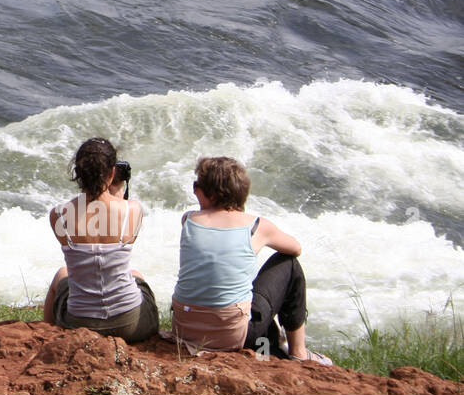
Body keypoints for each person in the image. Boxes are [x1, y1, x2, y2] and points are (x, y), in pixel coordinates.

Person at [171, 156, 332, 363]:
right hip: (232, 335)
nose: (194, 191)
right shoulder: (257, 226)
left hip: (184, 329)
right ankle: (299, 351)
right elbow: (295, 248)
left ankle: (274, 343)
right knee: (289, 264)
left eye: (197, 186)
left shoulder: (188, 220)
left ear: (210, 193)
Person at [44, 138, 159, 343]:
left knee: (62, 273)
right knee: (136, 275)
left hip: (79, 323)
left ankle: (47, 335)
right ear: (113, 172)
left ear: (78, 174)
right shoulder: (133, 210)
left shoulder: (58, 215)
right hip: (130, 324)